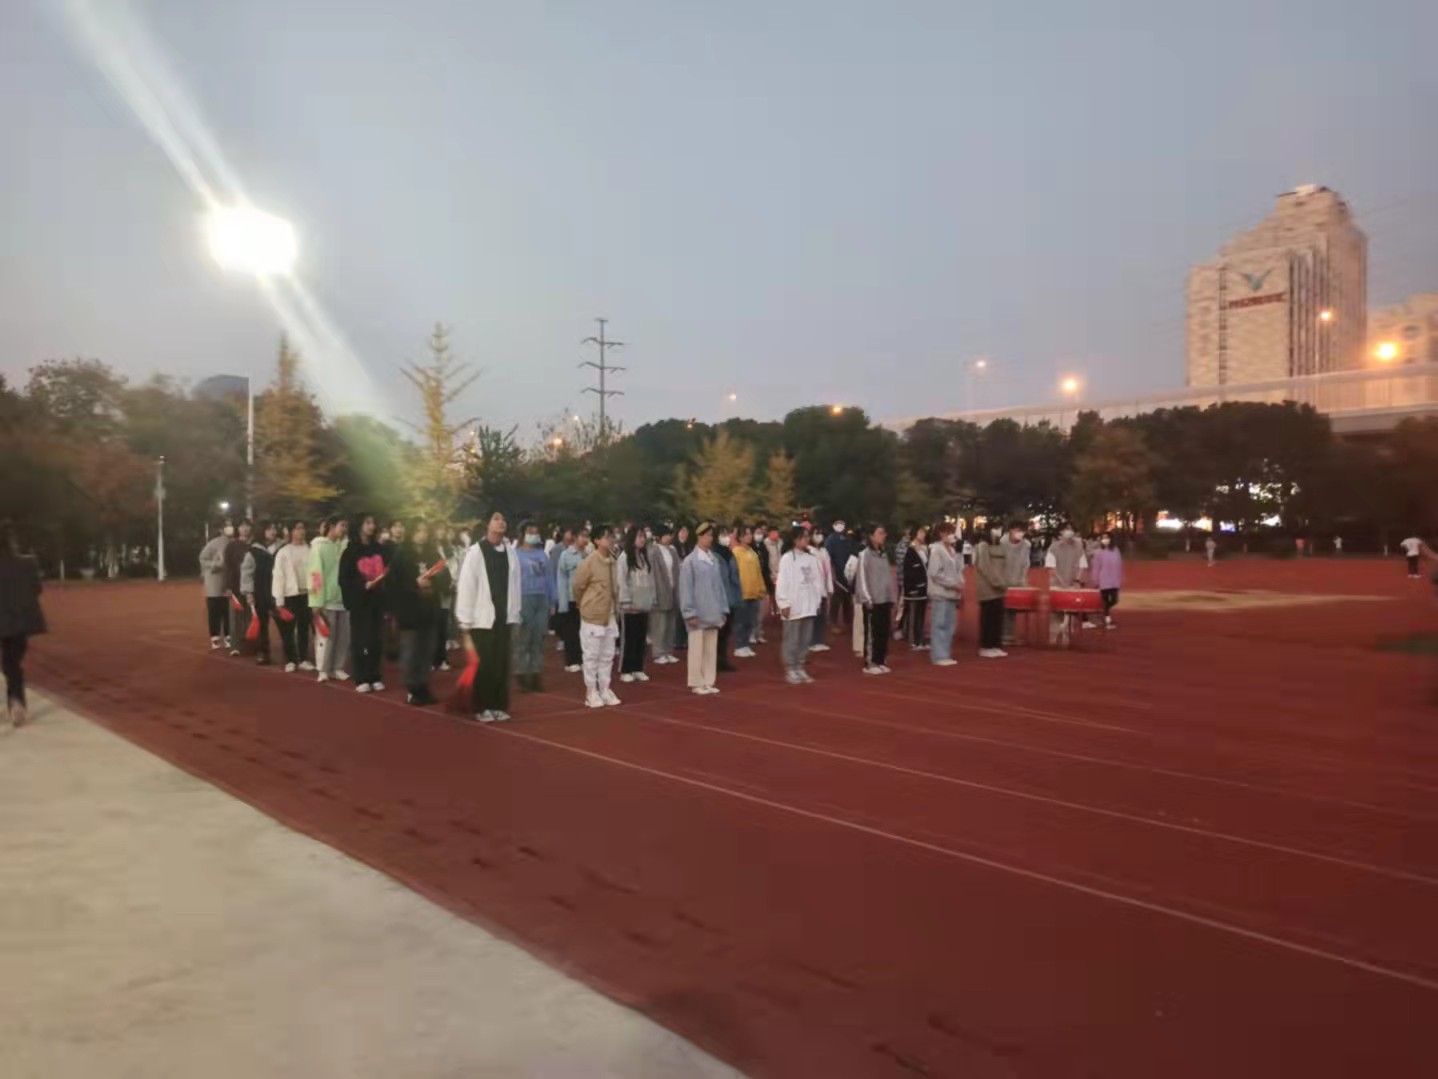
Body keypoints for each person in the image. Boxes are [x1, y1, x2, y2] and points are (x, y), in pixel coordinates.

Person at [456, 512, 523, 721]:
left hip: (504, 617)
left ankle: (499, 704)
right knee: (484, 664)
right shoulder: (476, 552)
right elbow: (467, 586)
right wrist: (465, 620)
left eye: (503, 519)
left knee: (501, 664)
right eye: (496, 519)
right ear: (487, 524)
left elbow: (516, 584)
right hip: (482, 619)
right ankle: (481, 706)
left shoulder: (510, 552)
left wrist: (515, 612)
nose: (501, 522)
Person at [388, 520, 441, 706]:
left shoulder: (432, 552)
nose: (422, 534)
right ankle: (412, 687)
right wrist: (414, 584)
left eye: (425, 530)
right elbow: (393, 581)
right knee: (411, 650)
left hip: (429, 608)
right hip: (410, 609)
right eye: (418, 530)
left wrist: (433, 584)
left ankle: (423, 684)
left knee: (427, 649)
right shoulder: (402, 553)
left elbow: (443, 574)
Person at [0, 520, 45, 728]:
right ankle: (16, 701)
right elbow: (37, 589)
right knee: (12, 663)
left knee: (9, 663)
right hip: (20, 621)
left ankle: (15, 701)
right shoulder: (29, 563)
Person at [571, 523, 621, 708]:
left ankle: (605, 688)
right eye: (606, 537)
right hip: (593, 615)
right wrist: (584, 604)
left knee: (607, 655)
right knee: (592, 656)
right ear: (597, 541)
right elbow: (578, 586)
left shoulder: (613, 561)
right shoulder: (589, 562)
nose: (610, 540)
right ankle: (591, 691)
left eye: (612, 536)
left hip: (610, 614)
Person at [339, 514, 389, 693]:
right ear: (359, 526)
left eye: (373, 522)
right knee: (360, 640)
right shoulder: (350, 551)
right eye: (367, 523)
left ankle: (375, 675)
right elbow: (344, 579)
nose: (371, 526)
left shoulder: (379, 549)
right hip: (360, 601)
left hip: (377, 600)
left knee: (376, 639)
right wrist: (363, 585)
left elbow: (388, 570)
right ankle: (361, 677)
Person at [680, 523, 729, 696]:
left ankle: (708, 680)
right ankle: (696, 682)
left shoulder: (714, 559)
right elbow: (685, 588)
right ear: (699, 537)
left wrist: (723, 609)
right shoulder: (690, 562)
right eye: (707, 535)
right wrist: (689, 612)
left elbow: (720, 587)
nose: (710, 539)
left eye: (711, 535)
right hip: (697, 612)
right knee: (696, 650)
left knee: (710, 649)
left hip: (713, 611)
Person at [775, 527, 825, 684]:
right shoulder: (787, 558)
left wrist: (817, 601)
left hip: (808, 605)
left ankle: (800, 666)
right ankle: (790, 668)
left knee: (805, 639)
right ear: (795, 539)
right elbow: (782, 582)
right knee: (792, 639)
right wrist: (783, 603)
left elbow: (817, 581)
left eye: (807, 537)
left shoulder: (811, 559)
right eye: (803, 537)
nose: (807, 539)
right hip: (793, 605)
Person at [512, 521, 555, 693]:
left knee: (538, 638)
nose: (533, 535)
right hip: (523, 598)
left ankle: (536, 673)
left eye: (536, 532)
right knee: (523, 638)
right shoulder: (515, 555)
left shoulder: (542, 555)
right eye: (530, 532)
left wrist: (552, 601)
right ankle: (521, 673)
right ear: (522, 534)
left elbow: (549, 578)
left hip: (541, 598)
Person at [308, 517, 351, 683]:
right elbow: (315, 574)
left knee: (343, 637)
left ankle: (337, 667)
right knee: (326, 636)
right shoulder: (319, 547)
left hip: (344, 599)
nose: (345, 529)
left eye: (346, 526)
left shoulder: (345, 546)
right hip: (327, 599)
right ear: (332, 527)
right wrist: (316, 602)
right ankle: (323, 669)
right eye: (342, 525)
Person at [272, 520, 314, 673]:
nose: (301, 531)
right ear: (291, 531)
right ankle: (290, 659)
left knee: (304, 627)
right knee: (288, 629)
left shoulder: (310, 549)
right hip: (290, 595)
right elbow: (278, 576)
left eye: (303, 528)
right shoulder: (284, 552)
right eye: (297, 528)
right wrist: (279, 599)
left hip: (307, 594)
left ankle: (303, 659)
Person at [616, 525, 656, 684]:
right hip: (630, 606)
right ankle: (625, 669)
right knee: (629, 638)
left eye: (643, 536)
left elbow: (650, 580)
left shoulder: (644, 557)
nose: (642, 539)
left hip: (643, 604)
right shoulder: (624, 557)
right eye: (639, 536)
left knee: (641, 638)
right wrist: (626, 601)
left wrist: (651, 599)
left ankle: (638, 668)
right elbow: (621, 580)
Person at [855, 526, 896, 674]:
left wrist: (891, 596)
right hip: (872, 600)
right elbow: (862, 578)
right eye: (880, 533)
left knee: (883, 632)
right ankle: (870, 663)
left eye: (884, 533)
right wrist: (867, 598)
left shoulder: (884, 555)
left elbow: (888, 577)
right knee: (872, 633)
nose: (883, 535)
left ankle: (881, 660)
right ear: (871, 536)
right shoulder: (864, 555)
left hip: (885, 599)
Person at [239, 522, 278, 666]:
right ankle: (263, 652)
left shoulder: (276, 549)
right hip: (260, 593)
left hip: (275, 592)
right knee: (262, 624)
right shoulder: (253, 552)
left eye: (274, 528)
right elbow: (246, 573)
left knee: (283, 622)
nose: (273, 531)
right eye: (269, 529)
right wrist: (249, 593)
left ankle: (291, 652)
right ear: (262, 532)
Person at [1046, 523, 1089, 644]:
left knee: (1071, 612)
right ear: (1060, 533)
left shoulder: (1078, 548)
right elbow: (1051, 568)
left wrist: (1077, 581)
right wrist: (1062, 583)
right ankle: (1053, 635)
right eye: (1066, 529)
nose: (1069, 532)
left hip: (1072, 584)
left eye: (1071, 529)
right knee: (1056, 611)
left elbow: (1082, 566)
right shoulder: (1053, 548)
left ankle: (1067, 635)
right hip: (1057, 584)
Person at [926, 523, 962, 666]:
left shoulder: (953, 550)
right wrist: (952, 583)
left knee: (950, 625)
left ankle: (945, 653)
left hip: (952, 594)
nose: (953, 536)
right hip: (940, 593)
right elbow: (935, 573)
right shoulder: (936, 550)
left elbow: (958, 570)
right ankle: (938, 655)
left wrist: (960, 583)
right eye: (950, 532)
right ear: (942, 534)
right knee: (939, 624)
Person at [555, 528, 588, 673]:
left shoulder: (589, 555)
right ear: (575, 537)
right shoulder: (566, 555)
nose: (585, 539)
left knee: (585, 632)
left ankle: (583, 659)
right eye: (582, 536)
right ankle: (572, 660)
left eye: (587, 536)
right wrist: (562, 602)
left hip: (587, 600)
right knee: (571, 632)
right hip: (571, 599)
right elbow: (562, 579)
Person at [973, 525, 1009, 658]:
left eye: (1000, 529)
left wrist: (1004, 581)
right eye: (995, 528)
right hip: (987, 588)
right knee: (987, 618)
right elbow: (984, 566)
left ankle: (996, 645)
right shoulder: (983, 546)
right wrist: (997, 582)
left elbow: (1005, 566)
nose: (998, 531)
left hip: (1000, 589)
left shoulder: (1001, 547)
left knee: (997, 618)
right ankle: (986, 646)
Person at [731, 526, 765, 658]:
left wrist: (761, 588)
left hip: (753, 593)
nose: (749, 536)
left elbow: (758, 572)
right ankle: (739, 646)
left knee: (750, 621)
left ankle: (745, 645)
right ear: (740, 537)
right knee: (740, 621)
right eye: (746, 534)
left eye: (750, 534)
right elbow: (734, 574)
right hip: (742, 593)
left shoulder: (753, 553)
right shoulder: (736, 552)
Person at [649, 525, 681, 665]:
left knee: (671, 623)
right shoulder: (653, 551)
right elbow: (652, 574)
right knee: (659, 623)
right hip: (660, 589)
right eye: (666, 535)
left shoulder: (672, 551)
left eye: (670, 535)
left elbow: (677, 569)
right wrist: (654, 593)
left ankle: (668, 651)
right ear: (659, 537)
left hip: (672, 589)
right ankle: (658, 652)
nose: (669, 537)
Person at [713, 526, 743, 673]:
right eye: (723, 534)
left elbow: (735, 576)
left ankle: (722, 659)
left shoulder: (729, 553)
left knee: (726, 632)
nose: (726, 537)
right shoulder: (713, 554)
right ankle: (713, 660)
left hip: (731, 598)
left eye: (727, 534)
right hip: (719, 599)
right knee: (717, 632)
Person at [222, 519, 254, 656]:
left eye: (247, 526)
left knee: (251, 616)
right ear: (237, 529)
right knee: (235, 617)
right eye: (242, 526)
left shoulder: (254, 545)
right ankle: (235, 646)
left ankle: (251, 644)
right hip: (235, 586)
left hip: (252, 587)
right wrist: (228, 586)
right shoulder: (231, 546)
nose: (245, 529)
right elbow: (227, 567)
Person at [199, 523, 231, 649]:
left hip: (230, 582)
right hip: (214, 582)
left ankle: (229, 636)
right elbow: (202, 559)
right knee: (214, 610)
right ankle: (215, 637)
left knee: (229, 611)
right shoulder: (213, 543)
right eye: (227, 526)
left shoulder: (236, 542)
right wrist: (216, 564)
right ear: (221, 529)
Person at [1000, 523, 1032, 646]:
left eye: (1022, 531)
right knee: (1002, 609)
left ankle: (1009, 635)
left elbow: (1026, 564)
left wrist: (1023, 579)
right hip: (1002, 580)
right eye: (1017, 530)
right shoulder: (1001, 543)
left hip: (1017, 580)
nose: (1020, 533)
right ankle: (1001, 635)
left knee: (1012, 608)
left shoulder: (1026, 545)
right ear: (1011, 530)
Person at [431, 524, 456, 671]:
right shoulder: (430, 548)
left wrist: (453, 581)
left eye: (443, 529)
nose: (441, 532)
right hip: (433, 590)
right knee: (432, 626)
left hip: (446, 590)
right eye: (438, 528)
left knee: (443, 625)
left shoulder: (448, 549)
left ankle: (442, 658)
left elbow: (453, 567)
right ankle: (432, 658)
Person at [1087, 532, 1124, 630]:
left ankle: (1102, 612)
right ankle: (1107, 618)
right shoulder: (1098, 552)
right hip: (1104, 579)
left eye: (1107, 538)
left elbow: (1119, 565)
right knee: (1105, 600)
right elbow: (1096, 567)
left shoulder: (1116, 550)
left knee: (1115, 600)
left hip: (1114, 580)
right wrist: (1095, 580)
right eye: (1103, 538)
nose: (1105, 540)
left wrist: (1120, 578)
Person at [901, 525, 930, 650]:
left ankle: (920, 640)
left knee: (921, 614)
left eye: (924, 532)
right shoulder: (910, 550)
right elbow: (908, 571)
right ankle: (913, 640)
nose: (923, 535)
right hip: (913, 588)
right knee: (914, 614)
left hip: (924, 587)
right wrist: (912, 588)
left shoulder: (925, 549)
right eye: (920, 532)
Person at [823, 521, 855, 630]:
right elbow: (827, 558)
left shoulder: (848, 539)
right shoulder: (830, 540)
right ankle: (833, 622)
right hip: (837, 574)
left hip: (848, 574)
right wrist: (832, 573)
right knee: (836, 599)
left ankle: (848, 621)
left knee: (847, 599)